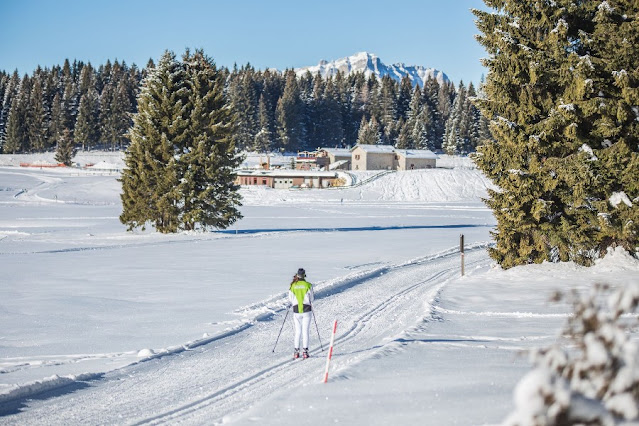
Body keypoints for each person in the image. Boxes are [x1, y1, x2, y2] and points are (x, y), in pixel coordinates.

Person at [288, 268, 314, 359]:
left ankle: (296, 352)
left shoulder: (293, 285)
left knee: (298, 331)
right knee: (305, 331)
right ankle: (305, 352)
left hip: (296, 311)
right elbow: (312, 299)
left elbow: (290, 299)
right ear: (304, 275)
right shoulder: (308, 285)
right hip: (307, 310)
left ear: (297, 275)